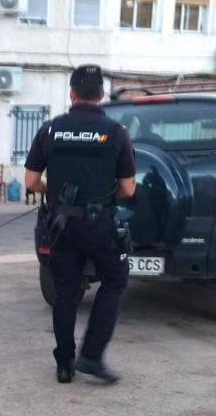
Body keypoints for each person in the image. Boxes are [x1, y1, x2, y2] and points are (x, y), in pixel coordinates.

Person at [24, 64, 136, 385]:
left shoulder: (49, 130)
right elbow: (128, 190)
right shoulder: (116, 133)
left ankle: (64, 364)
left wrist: (56, 194)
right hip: (99, 223)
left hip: (61, 224)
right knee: (114, 280)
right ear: (100, 95)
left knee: (65, 292)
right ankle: (92, 356)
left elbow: (31, 181)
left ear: (72, 93)